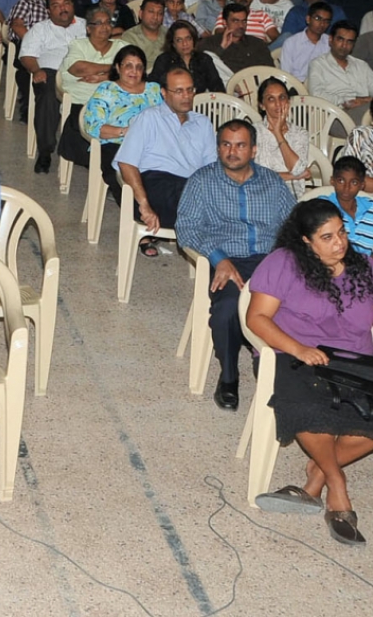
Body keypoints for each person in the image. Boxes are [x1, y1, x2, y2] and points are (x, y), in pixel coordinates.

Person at [247, 199, 373, 544]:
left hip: (356, 360)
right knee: (306, 407)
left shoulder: (364, 267)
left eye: (342, 233)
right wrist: (299, 348)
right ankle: (338, 487)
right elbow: (256, 318)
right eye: (328, 237)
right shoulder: (283, 264)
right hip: (294, 355)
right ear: (306, 240)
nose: (340, 243)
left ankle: (315, 479)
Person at [175, 119, 295, 411]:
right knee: (228, 307)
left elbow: (293, 226)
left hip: (270, 261)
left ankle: (282, 374)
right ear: (218, 148)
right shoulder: (202, 181)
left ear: (253, 150)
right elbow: (186, 228)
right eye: (226, 144)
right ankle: (229, 376)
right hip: (230, 260)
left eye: (240, 145)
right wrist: (219, 259)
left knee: (298, 305)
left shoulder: (272, 183)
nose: (232, 151)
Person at [116, 68, 217, 256]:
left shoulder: (203, 123)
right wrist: (144, 205)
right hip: (156, 182)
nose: (186, 96)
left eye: (190, 90)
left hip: (193, 185)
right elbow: (126, 163)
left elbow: (211, 168)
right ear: (164, 93)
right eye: (179, 91)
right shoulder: (149, 118)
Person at [19, 0, 84, 173]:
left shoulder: (86, 26)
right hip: (50, 72)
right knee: (48, 94)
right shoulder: (40, 29)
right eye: (56, 6)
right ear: (48, 11)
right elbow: (27, 56)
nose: (62, 9)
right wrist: (36, 70)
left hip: (83, 74)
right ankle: (45, 151)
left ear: (72, 5)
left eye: (66, 3)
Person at [255, 77, 312, 198]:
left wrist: (278, 133)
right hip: (259, 196)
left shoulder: (300, 133)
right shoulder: (253, 132)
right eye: (271, 99)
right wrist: (292, 176)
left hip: (291, 197)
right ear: (262, 105)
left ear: (288, 101)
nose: (278, 104)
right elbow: (256, 177)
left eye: (282, 97)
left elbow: (297, 170)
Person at [307, 22, 373, 125]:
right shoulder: (318, 65)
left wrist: (363, 102)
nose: (344, 45)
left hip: (366, 112)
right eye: (340, 39)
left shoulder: (362, 66)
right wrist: (348, 101)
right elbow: (317, 94)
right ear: (331, 40)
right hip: (335, 116)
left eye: (349, 42)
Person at [149, 20, 225, 94]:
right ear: (173, 44)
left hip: (200, 104)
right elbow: (153, 87)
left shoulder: (204, 59)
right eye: (179, 40)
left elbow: (217, 86)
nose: (185, 43)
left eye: (188, 38)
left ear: (194, 40)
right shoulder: (164, 60)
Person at [196, 2, 274, 74]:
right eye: (235, 21)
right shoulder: (210, 43)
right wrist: (221, 48)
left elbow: (270, 70)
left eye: (244, 21)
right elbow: (203, 68)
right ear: (224, 23)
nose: (241, 26)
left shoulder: (257, 44)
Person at [323, 157, 373, 255]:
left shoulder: (371, 209)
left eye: (354, 182)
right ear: (332, 181)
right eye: (341, 181)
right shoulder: (323, 207)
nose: (347, 187)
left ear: (362, 185)